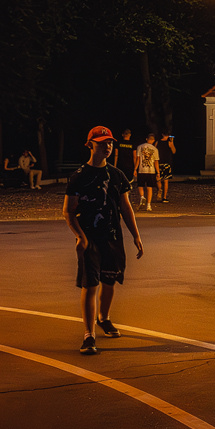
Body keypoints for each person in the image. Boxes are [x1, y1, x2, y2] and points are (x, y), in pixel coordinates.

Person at [65, 126, 144, 355]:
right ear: (90, 144)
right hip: (90, 239)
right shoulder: (79, 177)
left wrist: (136, 235)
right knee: (90, 285)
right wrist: (80, 236)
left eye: (110, 143)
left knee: (110, 281)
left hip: (113, 237)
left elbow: (125, 207)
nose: (107, 146)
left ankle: (104, 318)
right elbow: (68, 211)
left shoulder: (117, 175)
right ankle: (89, 335)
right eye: (102, 143)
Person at [134, 132, 160, 211]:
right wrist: (158, 172)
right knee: (149, 188)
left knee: (140, 185)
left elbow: (138, 159)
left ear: (146, 139)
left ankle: (142, 196)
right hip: (151, 171)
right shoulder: (155, 149)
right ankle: (148, 205)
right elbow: (156, 162)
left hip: (142, 170)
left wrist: (135, 169)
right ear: (153, 140)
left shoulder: (140, 147)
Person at [156, 134, 177, 203]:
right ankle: (164, 197)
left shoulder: (157, 142)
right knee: (166, 180)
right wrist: (172, 142)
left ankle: (159, 189)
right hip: (166, 163)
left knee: (158, 178)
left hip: (158, 162)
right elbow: (174, 151)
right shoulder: (169, 143)